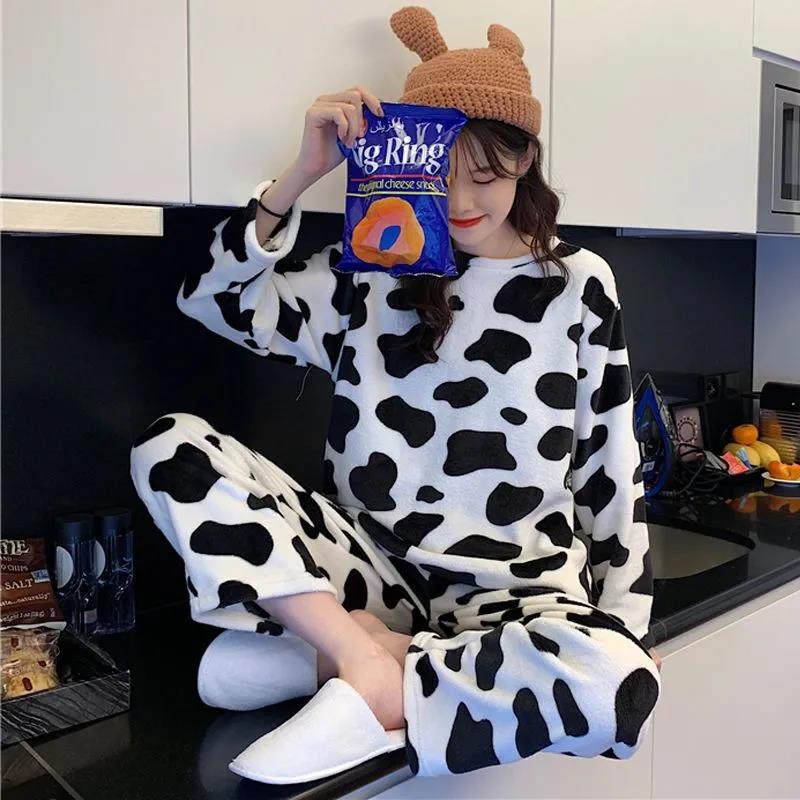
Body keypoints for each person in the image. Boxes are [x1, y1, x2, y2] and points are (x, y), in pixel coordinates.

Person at [130, 5, 662, 780]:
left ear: (525, 158)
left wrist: (624, 629)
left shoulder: (579, 284)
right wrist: (301, 174)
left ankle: (352, 664)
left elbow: (610, 469)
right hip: (370, 573)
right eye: (438, 177)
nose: (460, 202)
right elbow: (211, 300)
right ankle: (366, 665)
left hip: (517, 598)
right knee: (168, 447)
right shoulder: (372, 270)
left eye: (485, 175)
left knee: (620, 682)